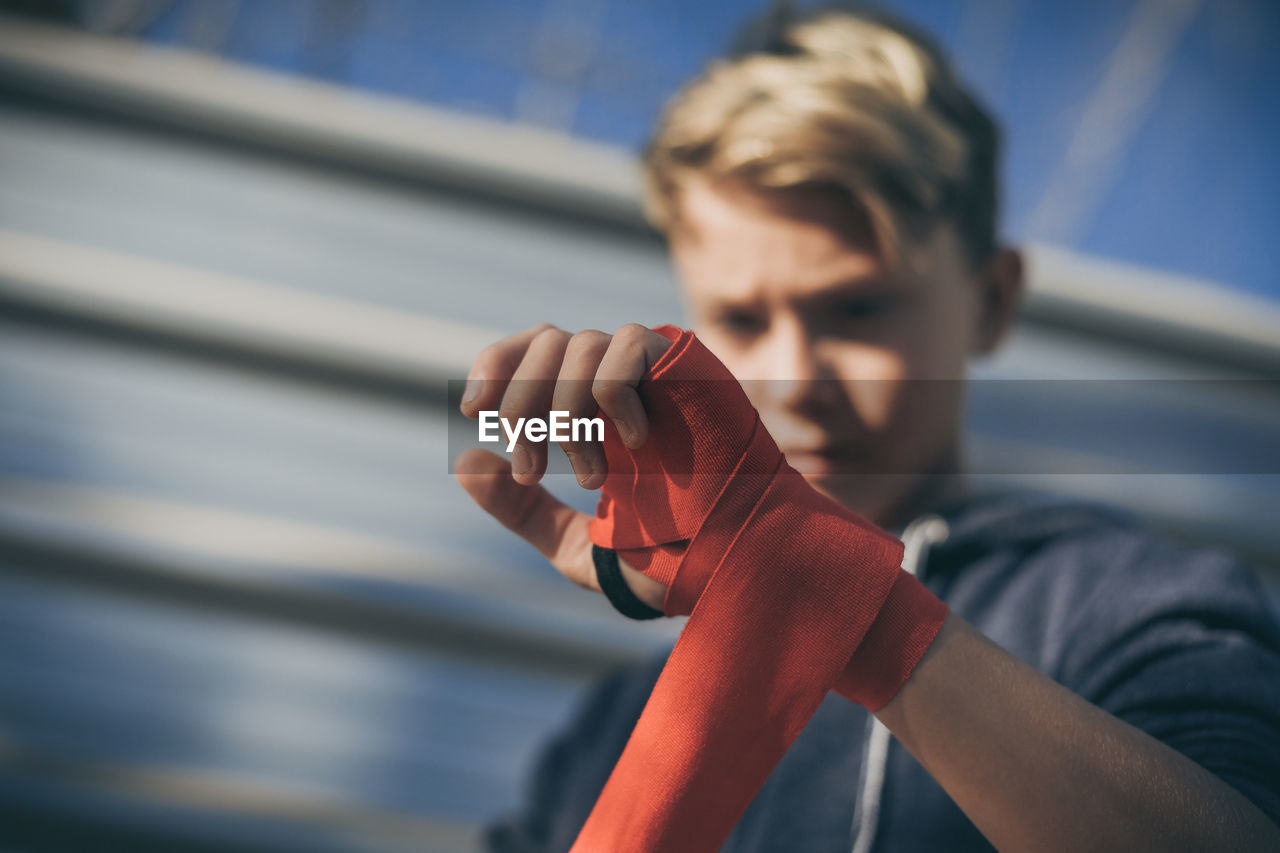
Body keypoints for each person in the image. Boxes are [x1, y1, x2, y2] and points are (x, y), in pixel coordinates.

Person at [454, 4, 1280, 851]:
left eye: (856, 309)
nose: (797, 381)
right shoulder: (620, 723)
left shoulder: (1127, 601)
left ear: (991, 300)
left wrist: (835, 597)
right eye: (740, 319)